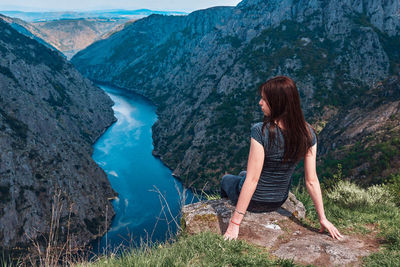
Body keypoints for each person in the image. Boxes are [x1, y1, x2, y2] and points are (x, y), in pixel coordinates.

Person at [221, 76, 342, 240]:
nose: (260, 103)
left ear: (277, 103)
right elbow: (311, 180)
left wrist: (235, 224)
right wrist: (323, 218)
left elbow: (253, 180)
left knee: (227, 179)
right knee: (243, 174)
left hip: (255, 202)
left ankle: (225, 208)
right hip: (278, 200)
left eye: (264, 99)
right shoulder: (308, 133)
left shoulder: (260, 131)